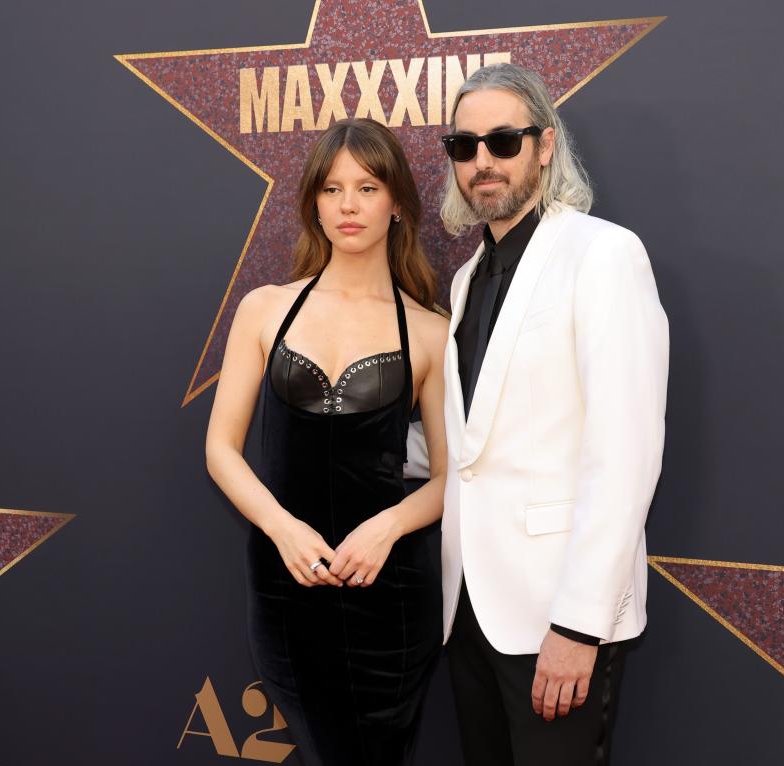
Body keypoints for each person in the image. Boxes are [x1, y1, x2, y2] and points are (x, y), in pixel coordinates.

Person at [437, 63, 669, 764]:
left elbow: (625, 454)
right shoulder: (466, 277)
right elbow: (478, 445)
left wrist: (578, 625)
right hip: (470, 611)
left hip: (558, 618)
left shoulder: (603, 254)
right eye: (464, 145)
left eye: (503, 141)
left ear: (544, 144)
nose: (483, 162)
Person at [205, 118, 450, 766]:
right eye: (333, 188)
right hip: (289, 585)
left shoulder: (429, 331)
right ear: (313, 200)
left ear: (396, 202)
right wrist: (281, 528)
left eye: (367, 187)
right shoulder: (265, 308)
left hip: (390, 593)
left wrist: (388, 527)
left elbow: (456, 478)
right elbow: (221, 450)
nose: (348, 204)